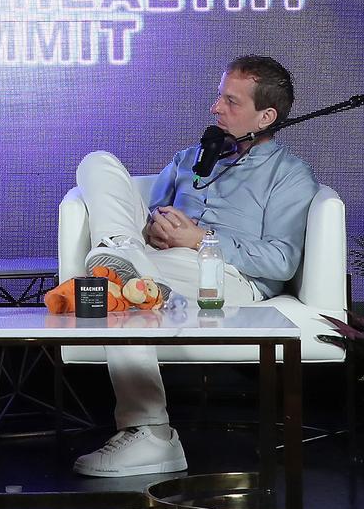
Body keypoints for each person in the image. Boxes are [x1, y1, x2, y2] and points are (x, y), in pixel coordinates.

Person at [69, 55, 317, 478]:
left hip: (225, 275)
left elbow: (281, 260)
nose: (215, 108)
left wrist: (201, 240)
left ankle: (151, 434)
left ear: (266, 117)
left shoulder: (290, 175)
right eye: (219, 97)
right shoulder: (190, 158)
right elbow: (149, 211)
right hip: (159, 260)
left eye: (231, 101)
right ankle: (123, 256)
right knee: (97, 161)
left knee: (124, 291)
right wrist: (153, 229)